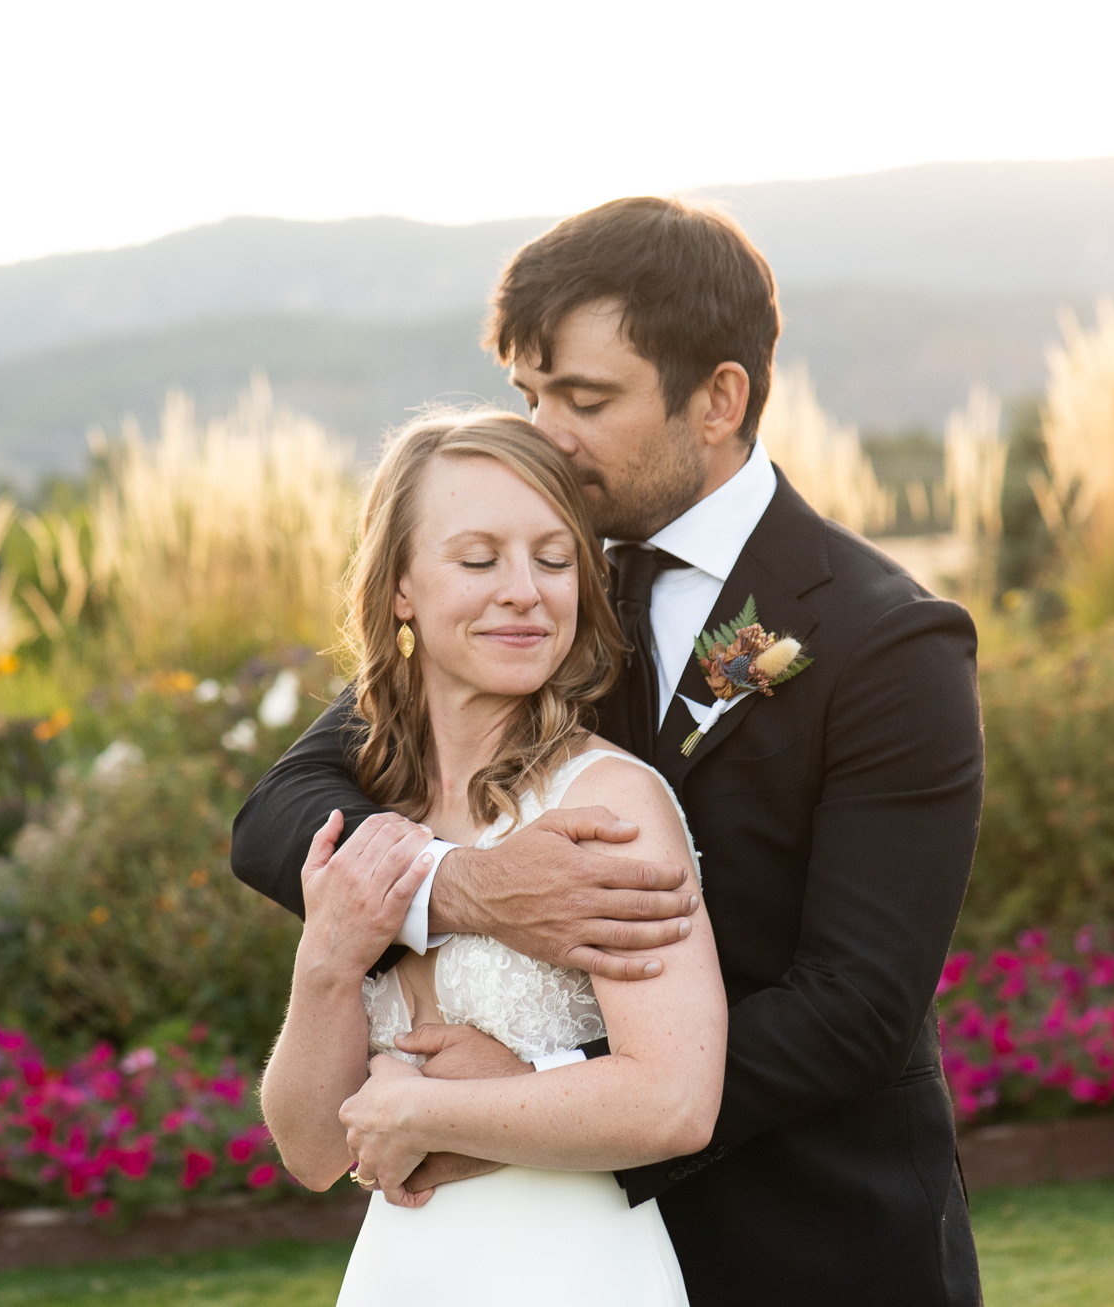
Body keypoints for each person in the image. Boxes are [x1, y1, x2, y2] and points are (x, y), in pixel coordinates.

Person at [235, 197, 984, 1305]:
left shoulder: (883, 640)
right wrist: (467, 889)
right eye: (528, 395)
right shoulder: (535, 590)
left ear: (718, 399)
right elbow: (280, 811)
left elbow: (857, 1003)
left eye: (583, 399)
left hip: (808, 1237)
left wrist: (536, 1098)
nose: (542, 433)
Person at [257, 412, 726, 1305]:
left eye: (553, 561)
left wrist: (426, 1110)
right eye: (479, 560)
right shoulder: (370, 817)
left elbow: (674, 1099)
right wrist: (327, 961)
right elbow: (313, 1150)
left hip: (573, 1269)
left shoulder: (606, 805)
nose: (524, 591)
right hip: (401, 1274)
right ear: (399, 587)